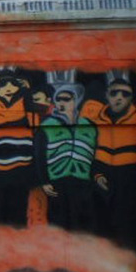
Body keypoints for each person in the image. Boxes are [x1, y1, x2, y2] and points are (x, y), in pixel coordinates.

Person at [83, 76, 136, 250]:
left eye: (125, 94)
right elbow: (92, 151)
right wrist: (97, 174)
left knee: (127, 219)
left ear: (131, 98)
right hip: (103, 174)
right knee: (103, 218)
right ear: (107, 95)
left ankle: (128, 256)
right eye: (114, 92)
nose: (119, 97)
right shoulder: (97, 121)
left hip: (129, 173)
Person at [34, 83, 97, 232]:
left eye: (67, 99)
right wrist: (44, 181)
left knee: (81, 223)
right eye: (58, 99)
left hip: (83, 181)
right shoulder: (47, 125)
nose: (62, 103)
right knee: (58, 223)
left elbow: (95, 153)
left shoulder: (88, 125)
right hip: (57, 180)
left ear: (76, 101)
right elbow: (39, 154)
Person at [0, 70, 40, 227]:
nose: (8, 87)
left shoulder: (25, 105)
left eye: (13, 84)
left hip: (21, 168)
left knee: (18, 211)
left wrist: (27, 92)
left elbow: (35, 124)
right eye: (3, 84)